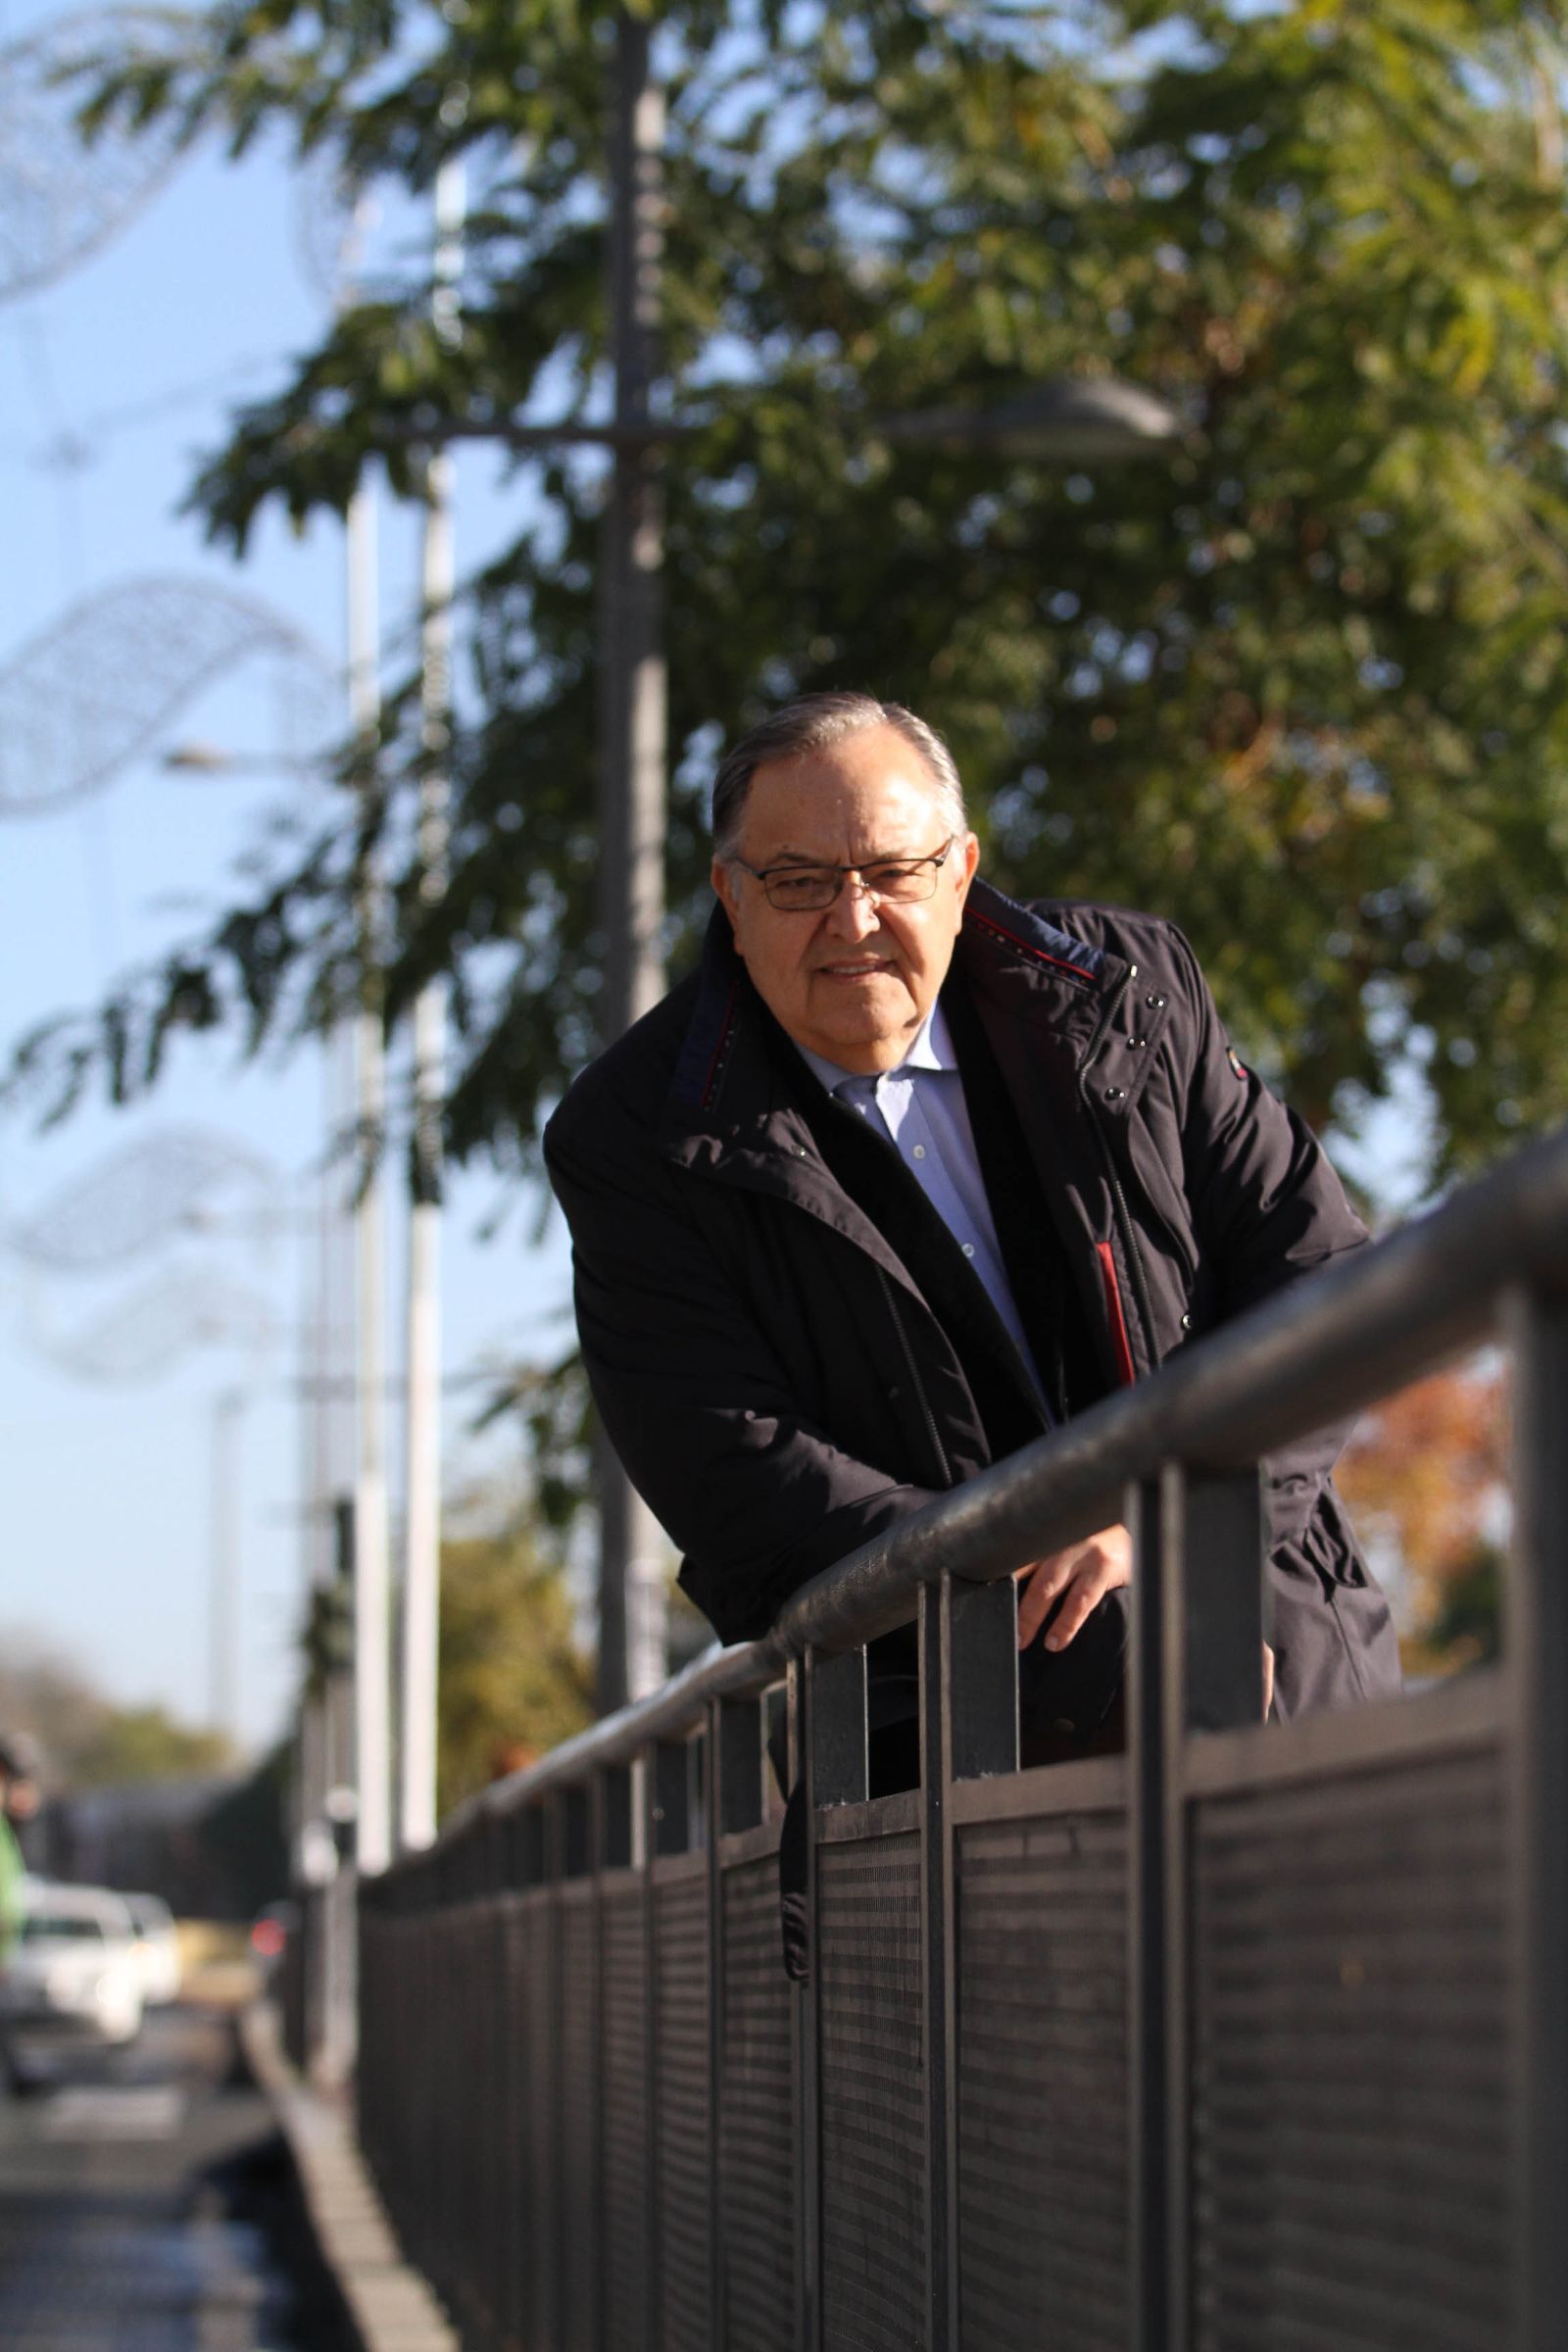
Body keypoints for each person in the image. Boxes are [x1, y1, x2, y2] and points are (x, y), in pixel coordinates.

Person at [545, 692, 1400, 1778]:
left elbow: (1317, 1271)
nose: (851, 922)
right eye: (799, 883)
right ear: (729, 896)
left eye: (892, 873)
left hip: (1288, 1666)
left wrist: (1166, 1524)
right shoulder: (634, 1138)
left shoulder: (1128, 996)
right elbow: (735, 1473)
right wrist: (1029, 1566)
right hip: (952, 1776)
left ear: (959, 870)